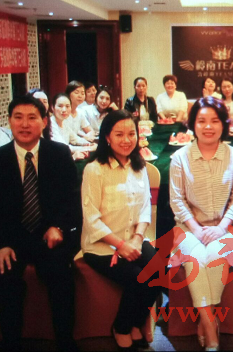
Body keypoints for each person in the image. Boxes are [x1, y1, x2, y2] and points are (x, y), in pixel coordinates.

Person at [0, 95, 81, 351]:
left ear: (44, 122)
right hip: (9, 238)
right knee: (4, 275)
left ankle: (65, 341)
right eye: (18, 117)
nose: (24, 124)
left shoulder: (59, 154)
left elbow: (72, 200)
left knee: (60, 272)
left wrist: (59, 227)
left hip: (49, 234)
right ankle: (10, 342)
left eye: (32, 118)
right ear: (9, 121)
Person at [81, 110, 163, 351]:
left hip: (133, 239)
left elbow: (146, 206)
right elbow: (91, 219)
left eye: (131, 134)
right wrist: (121, 245)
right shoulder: (95, 169)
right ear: (107, 137)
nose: (126, 140)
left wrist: (137, 239)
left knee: (158, 270)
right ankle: (122, 327)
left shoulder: (139, 166)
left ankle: (136, 322)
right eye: (119, 134)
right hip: (101, 245)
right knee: (138, 278)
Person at [169, 97, 233, 351]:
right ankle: (210, 322)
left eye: (214, 121)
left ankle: (205, 320)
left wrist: (221, 228)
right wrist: (195, 228)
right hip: (188, 227)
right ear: (193, 124)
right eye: (201, 121)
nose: (208, 126)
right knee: (196, 259)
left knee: (213, 256)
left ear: (224, 124)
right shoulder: (180, 158)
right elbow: (177, 200)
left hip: (228, 226)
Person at [50, 93, 94, 160]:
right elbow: (63, 147)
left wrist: (88, 144)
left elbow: (74, 139)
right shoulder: (51, 123)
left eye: (67, 106)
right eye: (60, 106)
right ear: (52, 107)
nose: (64, 110)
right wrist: (86, 148)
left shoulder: (64, 122)